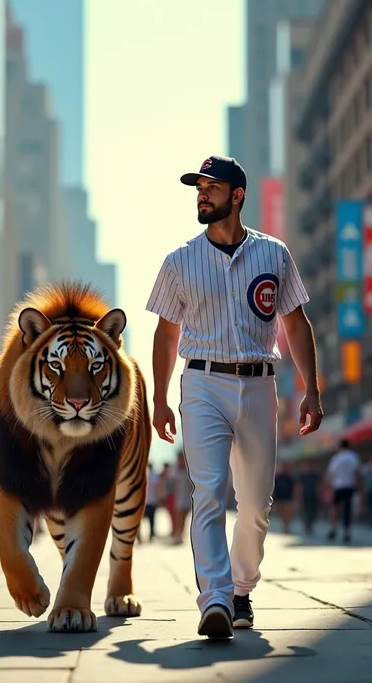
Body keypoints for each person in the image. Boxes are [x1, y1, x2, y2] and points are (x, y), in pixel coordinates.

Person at [146, 155, 323, 640]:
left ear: (237, 196)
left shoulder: (275, 254)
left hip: (260, 383)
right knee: (207, 493)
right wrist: (159, 399)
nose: (202, 194)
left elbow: (294, 323)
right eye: (198, 187)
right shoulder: (179, 261)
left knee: (256, 506)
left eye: (212, 187)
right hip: (201, 382)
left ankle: (242, 588)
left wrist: (311, 389)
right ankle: (216, 599)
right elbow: (165, 335)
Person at [325, 438, 362, 543]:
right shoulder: (353, 457)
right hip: (349, 486)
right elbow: (357, 473)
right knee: (347, 510)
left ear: (340, 446)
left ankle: (333, 528)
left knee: (335, 508)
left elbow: (330, 475)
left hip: (338, 486)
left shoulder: (336, 458)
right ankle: (347, 531)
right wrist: (359, 488)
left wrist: (329, 489)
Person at [172, 450, 193, 545]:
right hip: (178, 498)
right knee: (178, 517)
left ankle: (181, 535)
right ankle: (177, 534)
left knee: (184, 518)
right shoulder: (175, 469)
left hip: (187, 498)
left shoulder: (189, 470)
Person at [298, 459, 321, 535]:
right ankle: (306, 525)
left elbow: (318, 486)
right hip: (305, 495)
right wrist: (299, 496)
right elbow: (300, 487)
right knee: (305, 511)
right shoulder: (303, 475)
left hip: (313, 495)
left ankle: (310, 524)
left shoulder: (315, 475)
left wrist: (319, 494)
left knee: (313, 511)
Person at [273, 462, 296, 534]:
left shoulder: (290, 478)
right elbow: (274, 488)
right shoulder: (278, 477)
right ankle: (284, 525)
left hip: (288, 497)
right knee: (281, 513)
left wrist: (295, 497)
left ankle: (287, 526)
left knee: (288, 513)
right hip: (280, 497)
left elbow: (295, 488)